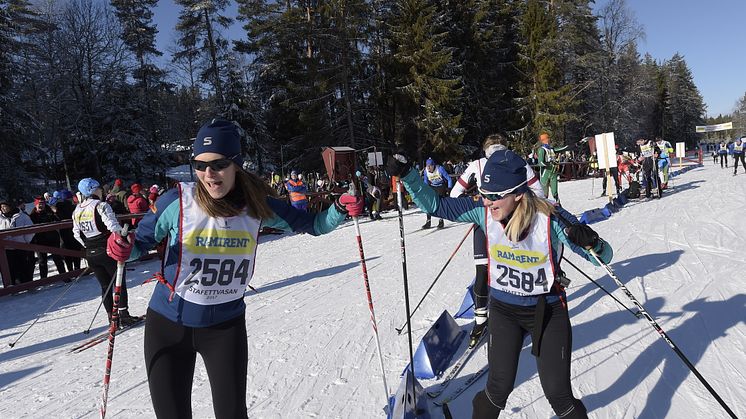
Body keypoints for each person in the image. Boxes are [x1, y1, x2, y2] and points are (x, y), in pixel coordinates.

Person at [104, 119, 363, 419]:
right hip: (168, 325)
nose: (208, 174)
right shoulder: (176, 201)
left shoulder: (257, 205)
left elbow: (315, 225)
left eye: (219, 164)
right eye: (200, 165)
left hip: (224, 330)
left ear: (237, 164)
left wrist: (341, 208)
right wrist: (122, 246)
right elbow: (138, 243)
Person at [387, 149, 612, 419]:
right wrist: (407, 174)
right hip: (505, 311)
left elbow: (603, 258)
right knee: (497, 390)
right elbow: (435, 206)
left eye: (495, 196)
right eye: (484, 193)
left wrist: (590, 241)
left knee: (559, 396)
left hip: (548, 312)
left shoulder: (550, 218)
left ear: (518, 194)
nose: (487, 202)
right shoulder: (482, 212)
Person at [450, 133, 544, 346]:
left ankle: (515, 314)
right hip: (493, 221)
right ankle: (482, 319)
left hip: (513, 224)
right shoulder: (491, 163)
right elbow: (455, 194)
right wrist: (480, 203)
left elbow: (540, 192)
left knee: (514, 268)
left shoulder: (515, 164)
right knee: (484, 270)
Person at [72, 178, 140, 326]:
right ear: (94, 190)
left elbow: (76, 234)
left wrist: (88, 244)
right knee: (119, 282)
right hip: (107, 250)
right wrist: (123, 235)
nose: (102, 191)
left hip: (90, 252)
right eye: (99, 188)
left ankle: (112, 318)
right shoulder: (101, 206)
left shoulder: (77, 210)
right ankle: (124, 315)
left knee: (105, 286)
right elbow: (113, 227)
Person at [29, 197, 67, 278]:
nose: (41, 206)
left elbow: (59, 220)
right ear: (36, 205)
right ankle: (44, 279)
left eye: (42, 203)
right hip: (40, 240)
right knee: (42, 261)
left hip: (52, 238)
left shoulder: (49, 211)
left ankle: (64, 276)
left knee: (57, 258)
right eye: (39, 204)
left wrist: (56, 212)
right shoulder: (32, 215)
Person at [0, 198, 34, 285]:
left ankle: (28, 284)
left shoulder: (22, 216)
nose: (3, 208)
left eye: (5, 206)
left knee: (24, 266)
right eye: (2, 207)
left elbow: (30, 230)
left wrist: (26, 241)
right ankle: (13, 286)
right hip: (7, 248)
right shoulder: (0, 218)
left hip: (21, 246)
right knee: (11, 267)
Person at [535, 131, 568, 203]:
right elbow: (540, 163)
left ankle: (559, 208)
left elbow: (562, 149)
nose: (549, 140)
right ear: (543, 140)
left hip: (553, 172)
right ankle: (544, 210)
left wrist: (571, 146)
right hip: (545, 174)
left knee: (555, 193)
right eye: (547, 138)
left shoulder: (551, 149)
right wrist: (550, 163)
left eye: (548, 138)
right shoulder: (542, 150)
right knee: (545, 194)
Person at [54, 189, 82, 272]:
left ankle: (70, 271)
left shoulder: (57, 209)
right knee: (76, 251)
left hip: (63, 235)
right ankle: (77, 269)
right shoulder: (73, 207)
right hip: (73, 232)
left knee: (67, 254)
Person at [422, 157, 453, 229]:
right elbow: (426, 181)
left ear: (433, 165)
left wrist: (449, 188)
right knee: (428, 203)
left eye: (430, 166)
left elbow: (449, 178)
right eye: (427, 166)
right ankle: (428, 221)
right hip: (432, 186)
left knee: (439, 202)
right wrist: (425, 190)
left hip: (441, 185)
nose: (429, 168)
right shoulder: (426, 171)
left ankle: (441, 221)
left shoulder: (440, 169)